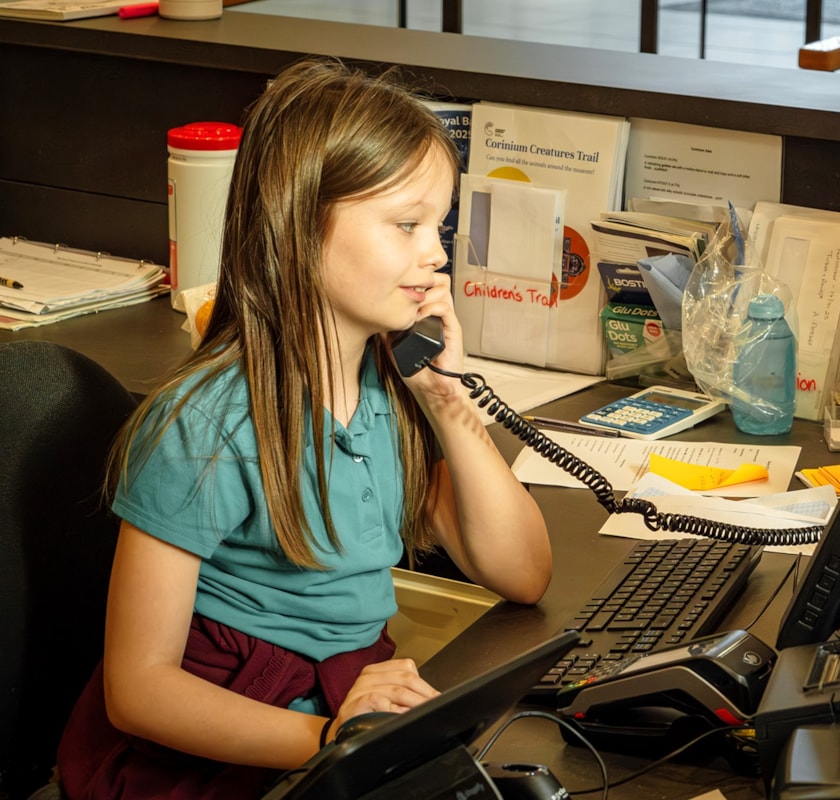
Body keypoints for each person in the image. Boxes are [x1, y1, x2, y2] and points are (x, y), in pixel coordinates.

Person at [54, 56, 553, 800]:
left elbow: (523, 574)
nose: (437, 253)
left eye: (439, 226)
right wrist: (329, 740)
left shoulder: (389, 388)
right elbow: (139, 689)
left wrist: (448, 401)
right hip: (220, 748)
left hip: (346, 709)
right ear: (297, 225)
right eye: (406, 225)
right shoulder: (207, 427)